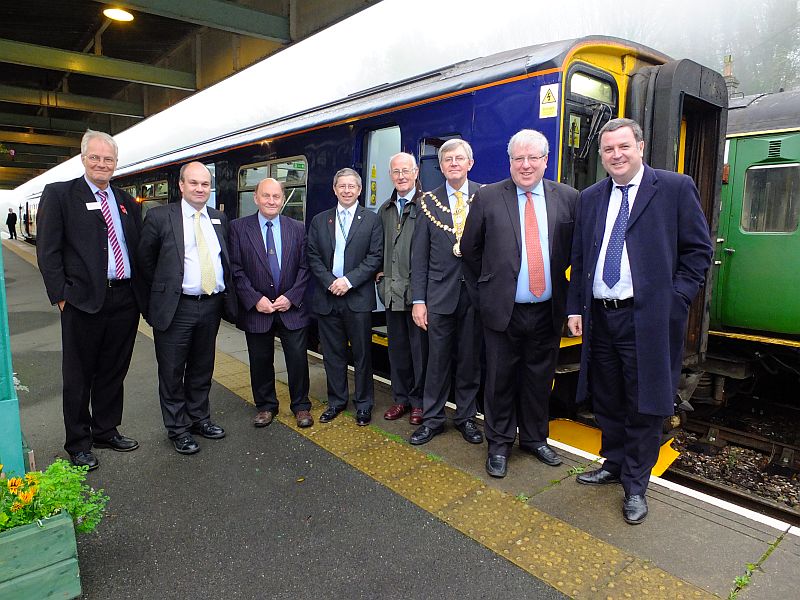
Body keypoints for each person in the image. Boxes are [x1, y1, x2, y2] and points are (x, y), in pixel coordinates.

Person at [566, 118, 712, 524]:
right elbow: (580, 260)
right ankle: (613, 463)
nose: (616, 155)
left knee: (645, 403)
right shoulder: (592, 197)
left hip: (647, 318)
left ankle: (635, 484)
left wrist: (676, 298)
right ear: (601, 155)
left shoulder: (674, 188)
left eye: (623, 147)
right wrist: (575, 308)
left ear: (641, 147)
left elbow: (698, 251)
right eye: (609, 150)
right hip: (602, 317)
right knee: (607, 396)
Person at [461, 129, 578, 478]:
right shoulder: (488, 197)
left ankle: (534, 438)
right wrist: (485, 295)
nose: (525, 165)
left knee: (539, 378)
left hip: (547, 309)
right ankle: (498, 444)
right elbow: (470, 251)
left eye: (532, 158)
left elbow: (575, 251)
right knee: (499, 379)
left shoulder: (568, 197)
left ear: (545, 160)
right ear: (509, 161)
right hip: (502, 310)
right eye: (518, 159)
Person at [36, 129, 145, 470]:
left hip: (124, 299)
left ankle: (105, 429)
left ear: (116, 163)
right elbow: (48, 251)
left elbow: (136, 250)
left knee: (114, 370)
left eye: (108, 159)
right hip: (82, 302)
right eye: (95, 157)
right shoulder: (60, 195)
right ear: (83, 159)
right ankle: (79, 442)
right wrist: (61, 297)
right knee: (79, 375)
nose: (102, 164)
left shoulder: (127, 202)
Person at [138, 161, 237, 455]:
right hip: (176, 308)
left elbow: (224, 259)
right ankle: (178, 429)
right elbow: (145, 263)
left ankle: (199, 419)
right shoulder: (159, 218)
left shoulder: (219, 218)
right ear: (181, 185)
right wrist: (154, 304)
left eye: (205, 184)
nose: (199, 188)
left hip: (210, 305)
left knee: (202, 368)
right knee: (171, 371)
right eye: (193, 183)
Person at [409, 139, 483, 446]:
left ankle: (466, 417)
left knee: (470, 360)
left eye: (459, 158)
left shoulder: (486, 196)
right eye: (447, 159)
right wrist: (418, 300)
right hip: (439, 295)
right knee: (436, 361)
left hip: (476, 294)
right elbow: (419, 255)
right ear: (440, 167)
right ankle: (433, 419)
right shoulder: (427, 202)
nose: (453, 163)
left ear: (470, 163)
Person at [229, 178, 313, 429]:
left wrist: (292, 297)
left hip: (291, 308)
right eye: (266, 196)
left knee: (298, 359)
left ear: (282, 199)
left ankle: (301, 407)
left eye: (276, 196)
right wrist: (255, 300)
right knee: (260, 359)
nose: (271, 201)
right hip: (258, 309)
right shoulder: (238, 228)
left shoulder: (297, 227)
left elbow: (305, 267)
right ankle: (266, 406)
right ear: (255, 198)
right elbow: (235, 269)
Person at [307, 168, 383, 426]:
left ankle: (364, 404)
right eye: (342, 186)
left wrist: (348, 281)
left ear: (359, 190)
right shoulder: (320, 220)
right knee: (332, 354)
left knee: (362, 355)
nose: (347, 190)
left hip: (358, 298)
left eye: (352, 186)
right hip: (328, 298)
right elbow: (313, 256)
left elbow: (375, 257)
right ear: (335, 189)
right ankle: (337, 401)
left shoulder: (372, 220)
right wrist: (331, 282)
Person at [377, 153, 427, 426]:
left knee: (420, 353)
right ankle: (401, 399)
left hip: (417, 296)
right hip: (391, 293)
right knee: (397, 351)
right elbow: (378, 248)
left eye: (406, 171)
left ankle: (419, 403)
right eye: (396, 172)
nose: (401, 176)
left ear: (416, 172)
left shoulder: (427, 206)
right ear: (391, 175)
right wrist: (379, 277)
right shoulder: (385, 209)